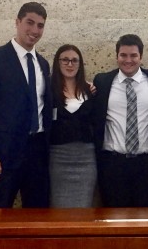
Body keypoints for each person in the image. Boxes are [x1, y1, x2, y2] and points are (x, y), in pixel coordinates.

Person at [0, 2, 52, 208]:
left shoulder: (43, 64)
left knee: (38, 215)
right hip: (4, 154)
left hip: (37, 152)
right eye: (30, 23)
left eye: (40, 25)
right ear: (17, 22)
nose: (35, 30)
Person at [93, 34, 148, 207]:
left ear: (141, 57)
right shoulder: (102, 81)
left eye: (133, 55)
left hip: (147, 164)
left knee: (147, 219)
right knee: (114, 219)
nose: (128, 60)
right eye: (123, 55)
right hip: (113, 164)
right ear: (117, 56)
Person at [49, 44, 97, 208]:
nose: (70, 64)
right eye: (65, 60)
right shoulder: (48, 90)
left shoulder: (89, 90)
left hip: (86, 158)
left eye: (74, 61)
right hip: (57, 157)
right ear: (57, 62)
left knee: (84, 207)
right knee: (58, 208)